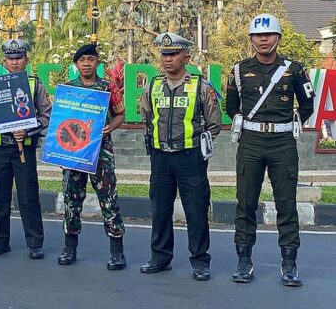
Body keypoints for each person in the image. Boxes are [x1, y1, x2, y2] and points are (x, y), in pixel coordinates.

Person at [226, 14, 315, 287]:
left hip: (282, 143)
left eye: (268, 35)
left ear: (278, 37)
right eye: (257, 35)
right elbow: (232, 107)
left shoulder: (295, 70)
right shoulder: (239, 70)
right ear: (251, 39)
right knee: (246, 203)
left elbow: (307, 104)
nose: (263, 39)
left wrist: (289, 124)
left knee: (287, 204)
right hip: (251, 142)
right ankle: (244, 262)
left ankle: (289, 264)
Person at [139, 33, 221, 281]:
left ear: (186, 56)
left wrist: (200, 146)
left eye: (173, 54)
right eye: (164, 55)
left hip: (190, 158)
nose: (167, 59)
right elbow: (146, 117)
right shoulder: (153, 85)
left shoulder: (201, 86)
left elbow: (214, 124)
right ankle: (160, 257)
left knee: (195, 210)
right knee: (160, 210)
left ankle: (200, 261)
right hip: (161, 158)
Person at [0, 39, 52, 260]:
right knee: (0, 197)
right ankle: (1, 242)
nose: (15, 63)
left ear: (26, 60)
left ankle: (35, 243)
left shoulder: (34, 84)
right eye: (10, 59)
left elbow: (46, 115)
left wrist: (28, 131)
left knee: (28, 198)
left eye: (19, 58)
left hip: (24, 151)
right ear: (4, 61)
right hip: (0, 150)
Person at [57, 44, 126, 270]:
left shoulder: (108, 87)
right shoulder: (68, 89)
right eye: (82, 60)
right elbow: (59, 121)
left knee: (109, 200)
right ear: (76, 64)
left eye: (90, 59)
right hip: (74, 152)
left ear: (97, 62)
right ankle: (69, 248)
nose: (86, 63)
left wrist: (110, 128)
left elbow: (121, 114)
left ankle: (117, 252)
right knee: (71, 200)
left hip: (101, 152)